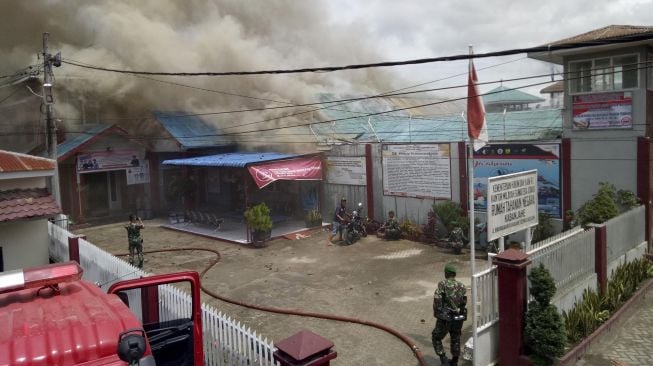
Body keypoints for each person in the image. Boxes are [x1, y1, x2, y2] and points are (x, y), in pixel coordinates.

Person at [432, 263, 467, 366]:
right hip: (458, 318)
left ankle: (443, 360)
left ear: (446, 273)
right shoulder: (462, 286)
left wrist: (437, 312)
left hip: (445, 318)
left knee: (436, 337)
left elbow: (437, 299)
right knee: (455, 337)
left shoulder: (442, 284)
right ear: (454, 274)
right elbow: (464, 302)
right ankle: (455, 361)